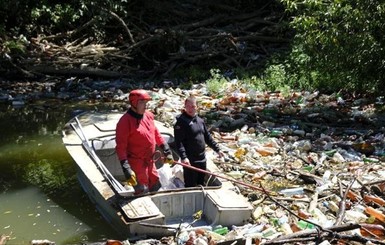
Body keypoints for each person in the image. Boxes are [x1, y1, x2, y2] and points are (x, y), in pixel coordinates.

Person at [115, 89, 174, 193]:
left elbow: (156, 134)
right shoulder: (124, 122)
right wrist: (126, 169)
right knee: (142, 190)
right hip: (137, 164)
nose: (145, 106)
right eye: (142, 102)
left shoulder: (148, 115)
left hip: (150, 161)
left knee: (156, 185)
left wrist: (166, 150)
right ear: (133, 103)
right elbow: (121, 148)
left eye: (146, 103)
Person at [174, 95, 224, 187]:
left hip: (202, 159)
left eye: (193, 106)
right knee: (191, 186)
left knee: (201, 184)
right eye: (188, 106)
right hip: (190, 161)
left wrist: (217, 149)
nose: (190, 109)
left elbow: (207, 137)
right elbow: (179, 142)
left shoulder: (200, 121)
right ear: (184, 107)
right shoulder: (181, 122)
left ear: (197, 107)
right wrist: (184, 157)